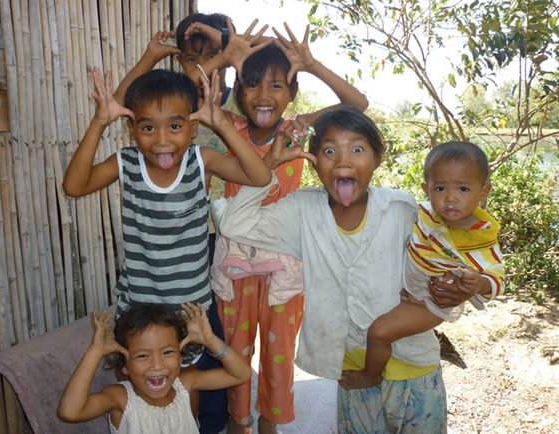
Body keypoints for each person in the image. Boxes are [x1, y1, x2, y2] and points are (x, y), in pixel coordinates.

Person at [217, 107, 457, 432]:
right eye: (329, 151)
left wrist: (452, 286)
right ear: (312, 159)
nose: (343, 162)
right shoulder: (302, 210)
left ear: (377, 158)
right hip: (352, 373)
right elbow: (234, 223)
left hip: (414, 365)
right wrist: (268, 165)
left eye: (357, 149)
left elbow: (446, 265)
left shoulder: (402, 210)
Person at [215, 24, 369, 434]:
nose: (264, 96)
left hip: (287, 263)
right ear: (237, 90)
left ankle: (270, 422)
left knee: (279, 353)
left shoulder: (296, 128)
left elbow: (358, 103)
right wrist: (226, 57)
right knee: (236, 350)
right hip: (236, 261)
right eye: (251, 84)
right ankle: (239, 421)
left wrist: (313, 64)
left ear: (293, 93)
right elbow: (184, 100)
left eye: (277, 85)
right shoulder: (226, 127)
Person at [62, 66, 271, 319]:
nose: (162, 140)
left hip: (191, 307)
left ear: (193, 128)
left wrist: (222, 126)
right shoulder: (127, 163)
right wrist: (99, 122)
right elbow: (73, 187)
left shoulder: (201, 161)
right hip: (139, 305)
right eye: (148, 128)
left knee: (188, 360)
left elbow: (260, 177)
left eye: (174, 126)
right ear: (131, 129)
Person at [351, 141, 506, 388]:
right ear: (427, 189)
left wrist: (478, 283)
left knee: (379, 333)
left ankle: (370, 376)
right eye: (440, 188)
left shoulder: (480, 239)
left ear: (484, 192)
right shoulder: (424, 213)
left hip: (432, 304)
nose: (451, 198)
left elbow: (498, 282)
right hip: (411, 289)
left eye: (463, 189)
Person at [57, 302, 251, 433]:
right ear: (124, 365)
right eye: (143, 356)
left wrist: (210, 340)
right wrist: (96, 351)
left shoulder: (185, 383)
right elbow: (70, 412)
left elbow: (241, 374)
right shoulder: (121, 398)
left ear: (180, 355)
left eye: (167, 352)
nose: (157, 365)